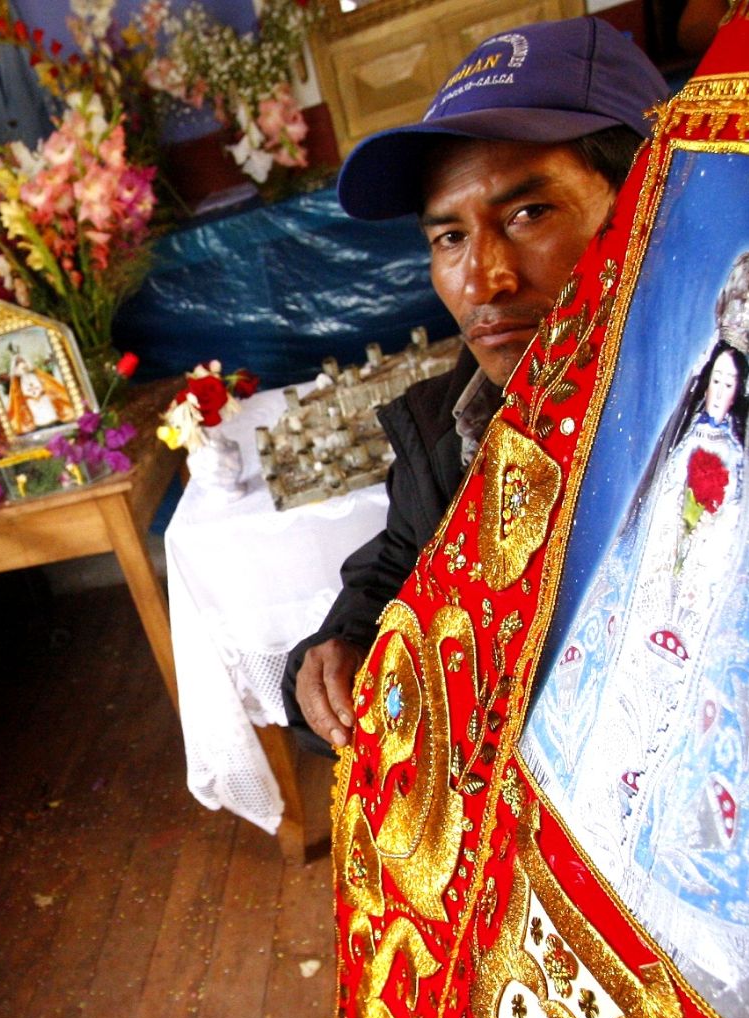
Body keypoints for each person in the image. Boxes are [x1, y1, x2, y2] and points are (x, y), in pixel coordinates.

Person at [286, 16, 671, 754]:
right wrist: (336, 646)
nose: (481, 280)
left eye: (528, 213)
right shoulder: (447, 427)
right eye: (449, 237)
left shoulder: (716, 423)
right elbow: (398, 562)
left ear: (647, 200)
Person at [520, 241, 749, 1018]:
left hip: (693, 624)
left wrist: (688, 601)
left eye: (729, 385)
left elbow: (723, 551)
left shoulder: (736, 468)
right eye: (714, 379)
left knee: (680, 747)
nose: (719, 390)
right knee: (615, 730)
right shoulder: (681, 456)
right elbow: (653, 537)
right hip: (646, 618)